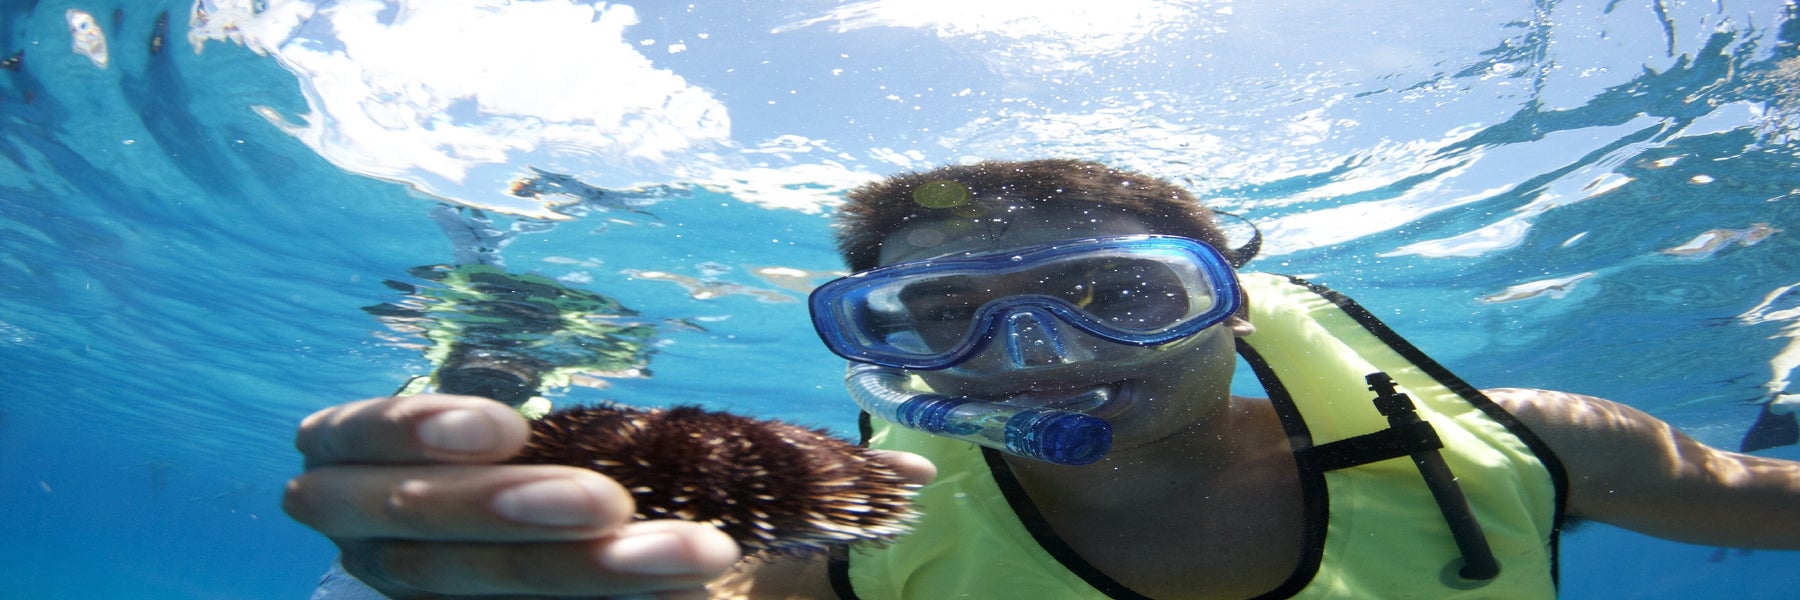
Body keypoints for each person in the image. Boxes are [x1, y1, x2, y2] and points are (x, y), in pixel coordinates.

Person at [287, 159, 1800, 599]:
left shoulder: (1512, 450)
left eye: (1115, 296)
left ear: (1233, 306)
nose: (1038, 359)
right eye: (940, 314)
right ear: (872, 346)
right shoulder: (860, 547)